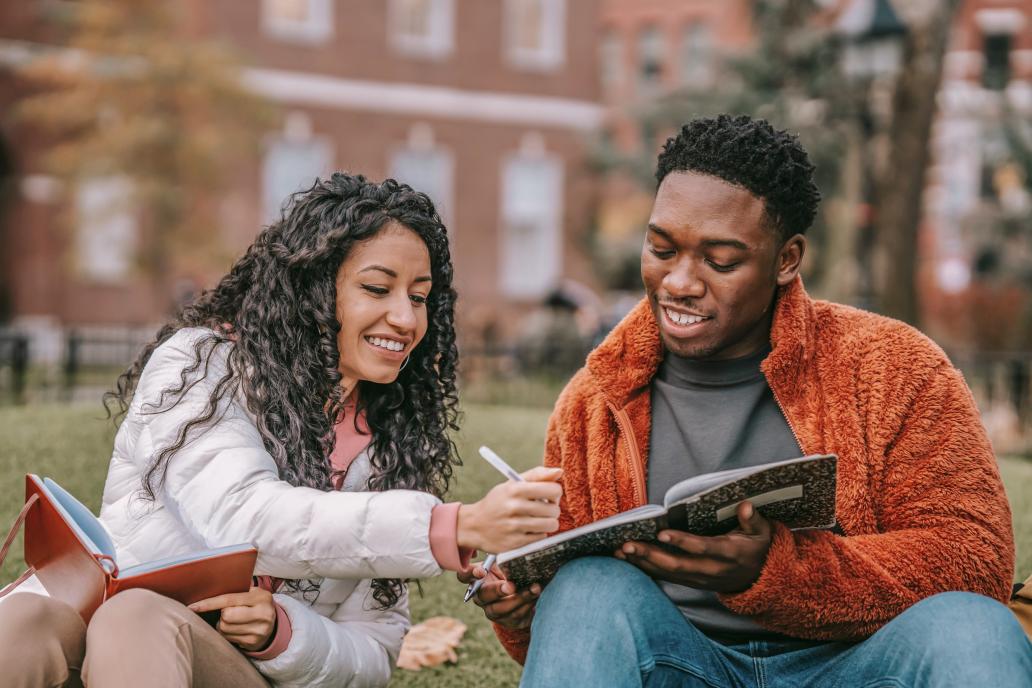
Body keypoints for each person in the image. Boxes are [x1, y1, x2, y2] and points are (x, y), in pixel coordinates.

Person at [464, 115, 1031, 686]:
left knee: (974, 628)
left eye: (721, 261)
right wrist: (521, 606)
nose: (679, 282)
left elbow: (974, 559)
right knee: (585, 588)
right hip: (683, 664)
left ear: (786, 260)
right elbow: (579, 638)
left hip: (857, 664)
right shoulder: (595, 399)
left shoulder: (896, 368)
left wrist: (778, 572)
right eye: (661, 249)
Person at [0, 173, 563, 688]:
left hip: (222, 667)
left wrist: (282, 633)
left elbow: (373, 649)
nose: (407, 318)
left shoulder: (390, 442)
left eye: (419, 297)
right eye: (377, 288)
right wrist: (453, 526)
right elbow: (242, 517)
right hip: (100, 633)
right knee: (25, 618)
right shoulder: (202, 367)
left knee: (137, 615)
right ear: (312, 290)